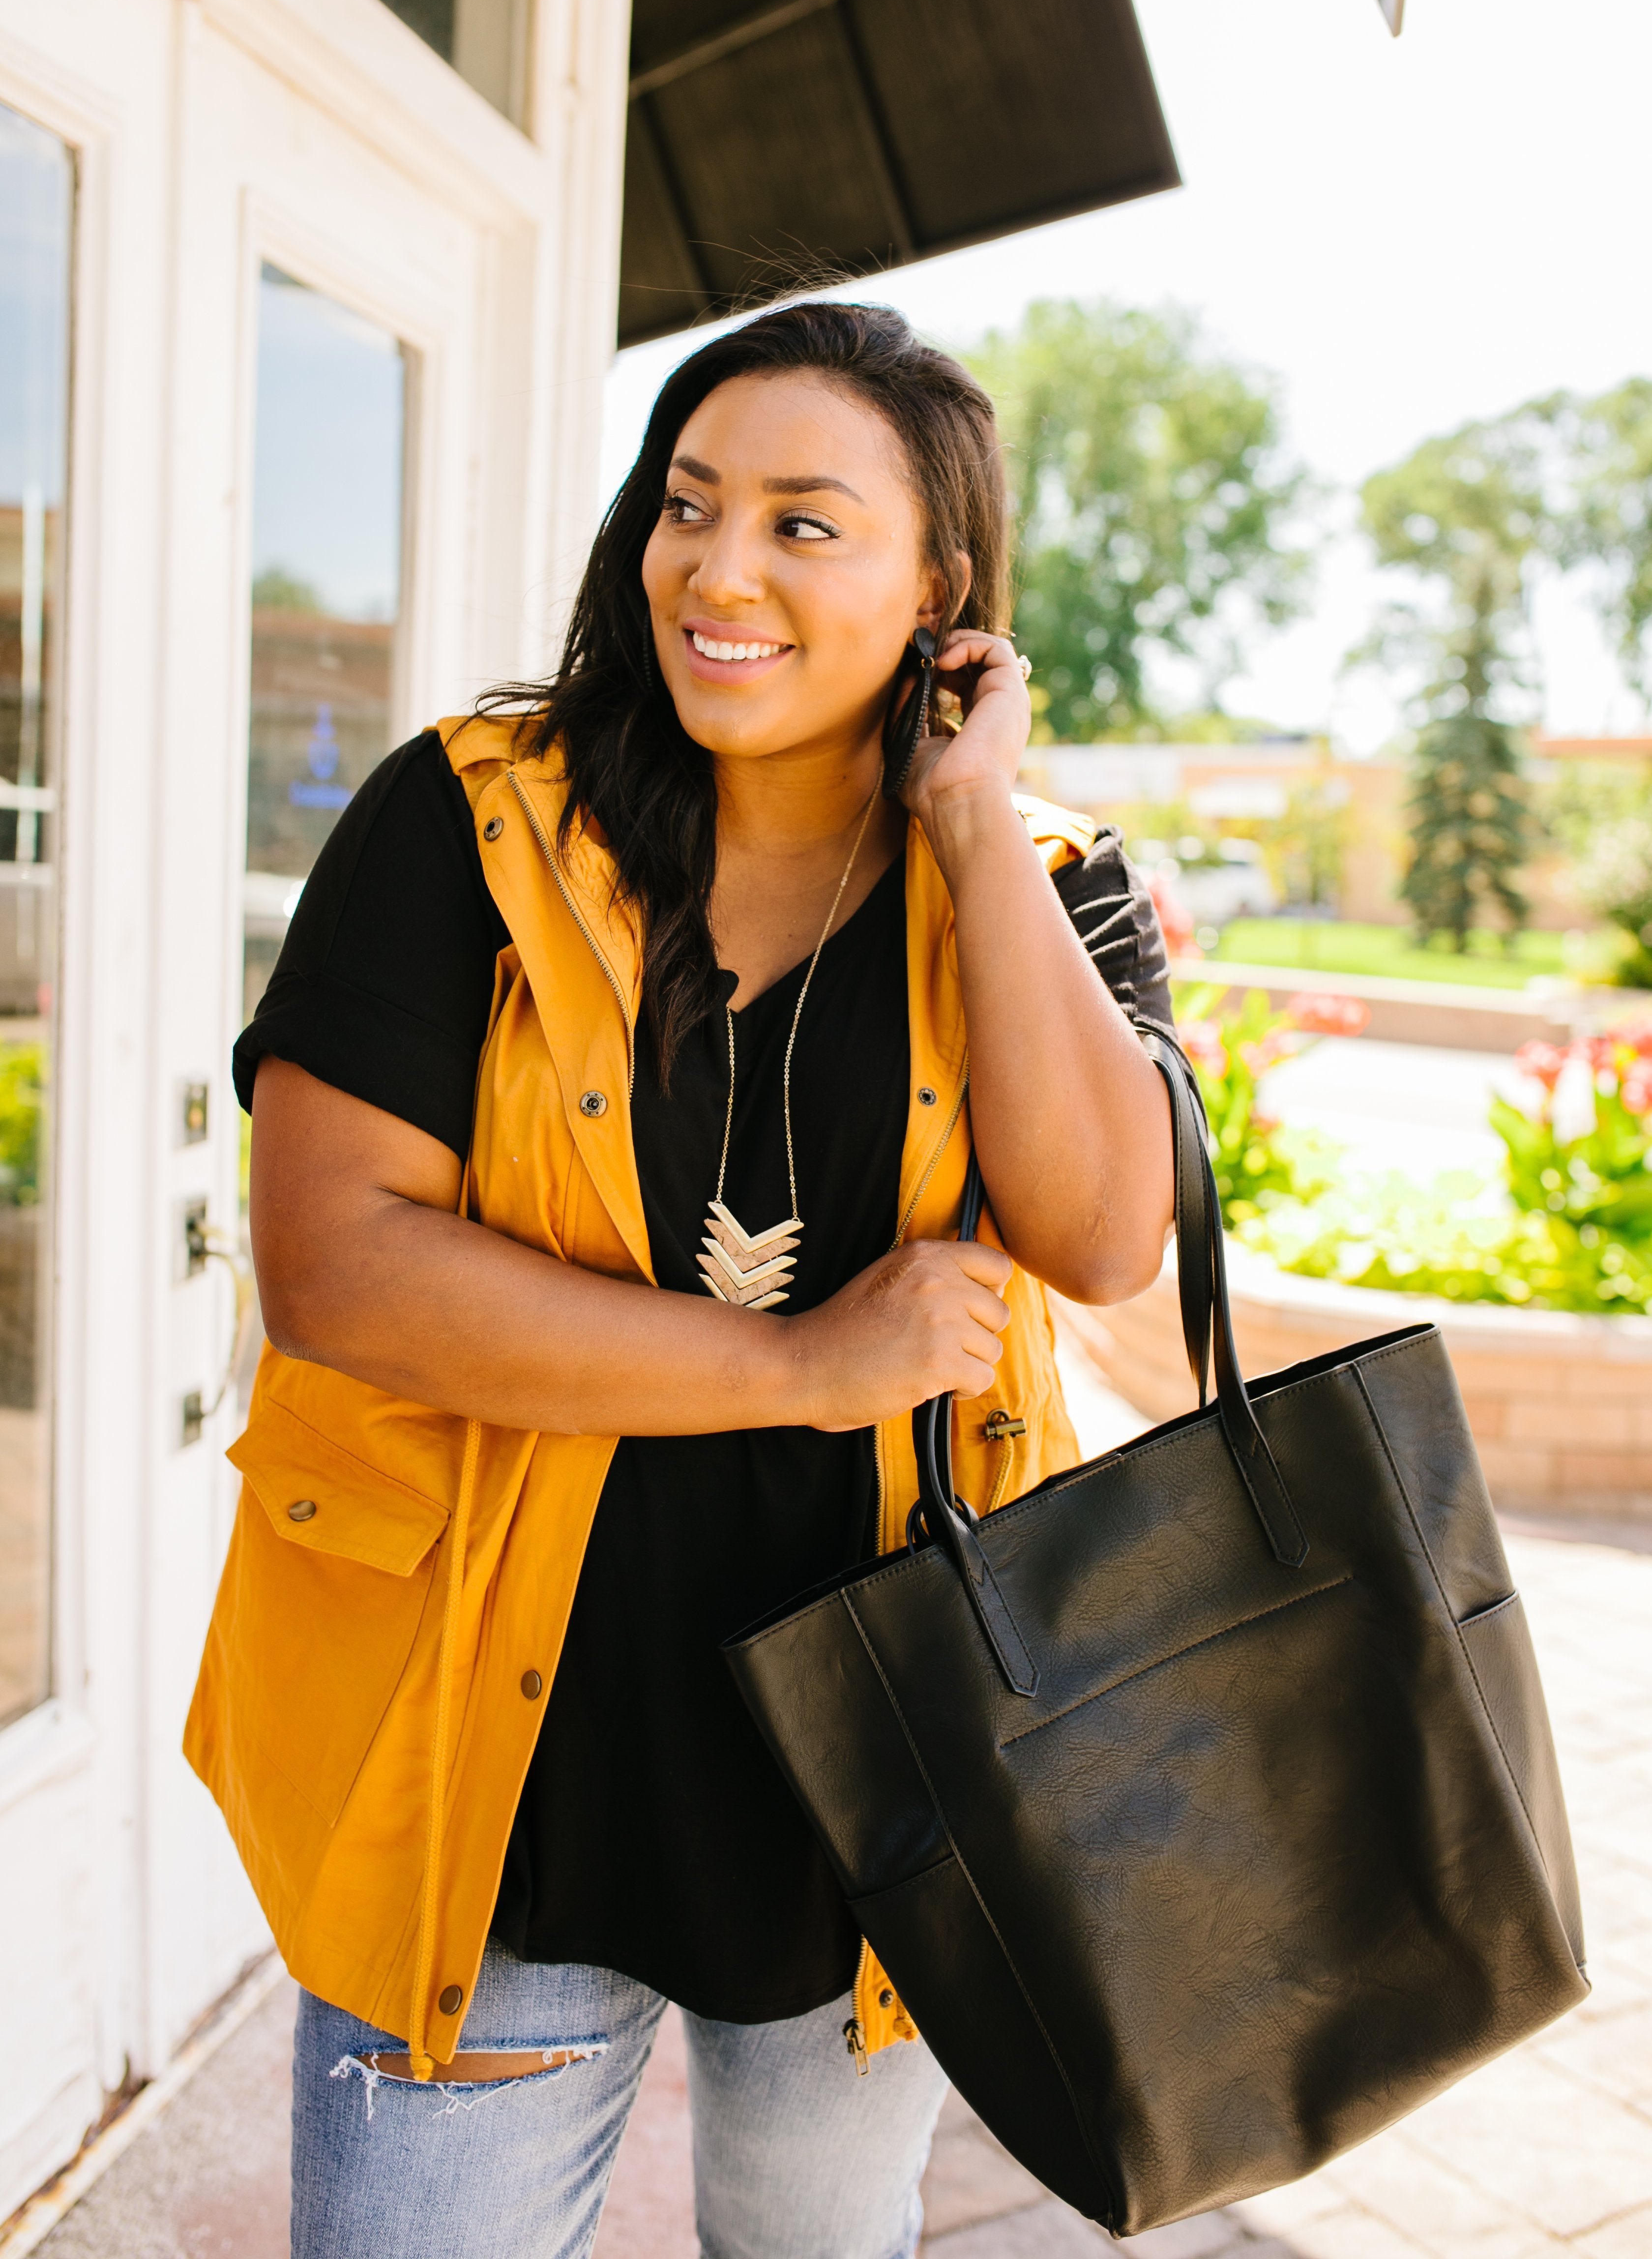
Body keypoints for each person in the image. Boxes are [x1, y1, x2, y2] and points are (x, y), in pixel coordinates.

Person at [187, 300, 1177, 2259]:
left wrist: (970, 819)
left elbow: (1102, 1238)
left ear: (942, 588)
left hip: (880, 1808)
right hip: (489, 1774)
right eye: (689, 502)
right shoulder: (468, 823)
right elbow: (339, 1270)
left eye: (808, 524)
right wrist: (804, 1368)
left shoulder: (1042, 878)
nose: (720, 567)